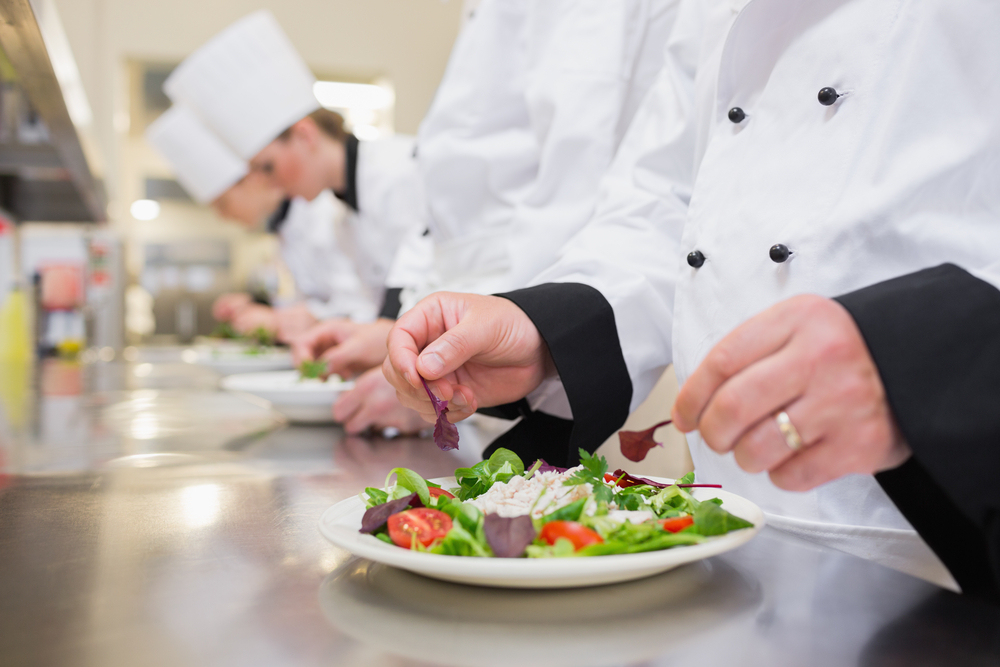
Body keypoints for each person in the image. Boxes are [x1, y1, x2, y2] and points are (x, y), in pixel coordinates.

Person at [384, 0, 1000, 600]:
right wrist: (545, 330)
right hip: (725, 528)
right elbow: (665, 200)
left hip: (943, 533)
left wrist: (925, 358)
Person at [294, 0, 683, 432]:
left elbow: (573, 198)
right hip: (484, 348)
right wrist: (401, 336)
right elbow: (438, 219)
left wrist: (524, 335)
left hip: (525, 344)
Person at [163, 10, 429, 339]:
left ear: (305, 135)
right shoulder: (342, 213)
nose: (265, 183)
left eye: (267, 167)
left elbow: (424, 283)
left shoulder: (397, 169)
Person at [146, 104, 374, 342]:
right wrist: (259, 307)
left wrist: (278, 320)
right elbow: (308, 301)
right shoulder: (285, 228)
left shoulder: (326, 211)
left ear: (250, 180)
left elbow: (362, 306)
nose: (222, 216)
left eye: (222, 204)